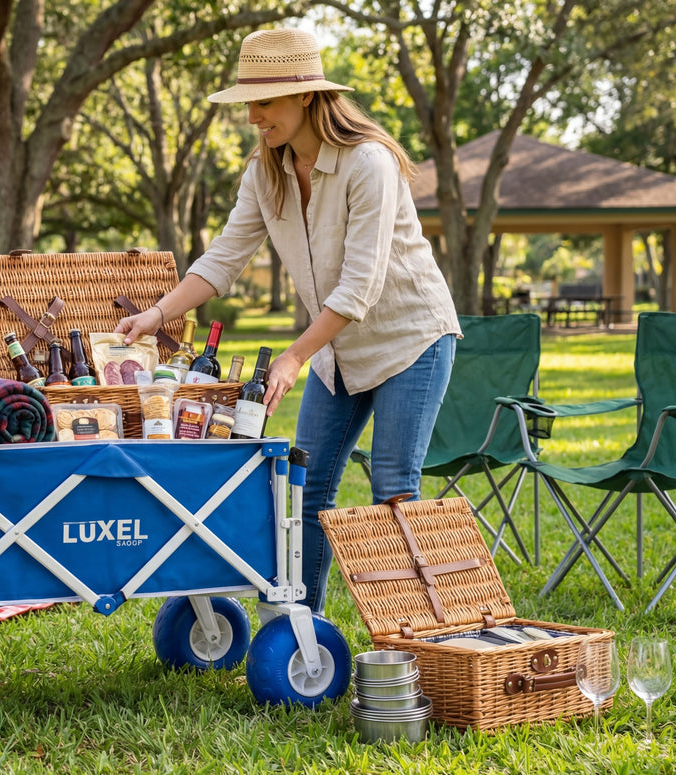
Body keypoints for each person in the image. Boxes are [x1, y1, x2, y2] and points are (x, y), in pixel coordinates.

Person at [115, 28, 461, 612]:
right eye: (248, 103)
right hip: (337, 351)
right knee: (306, 488)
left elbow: (360, 287)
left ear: (305, 97)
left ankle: (417, 641)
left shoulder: (368, 164)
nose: (253, 116)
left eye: (264, 102)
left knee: (394, 491)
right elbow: (225, 257)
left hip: (410, 341)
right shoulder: (266, 171)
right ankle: (303, 625)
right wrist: (157, 313)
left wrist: (294, 356)